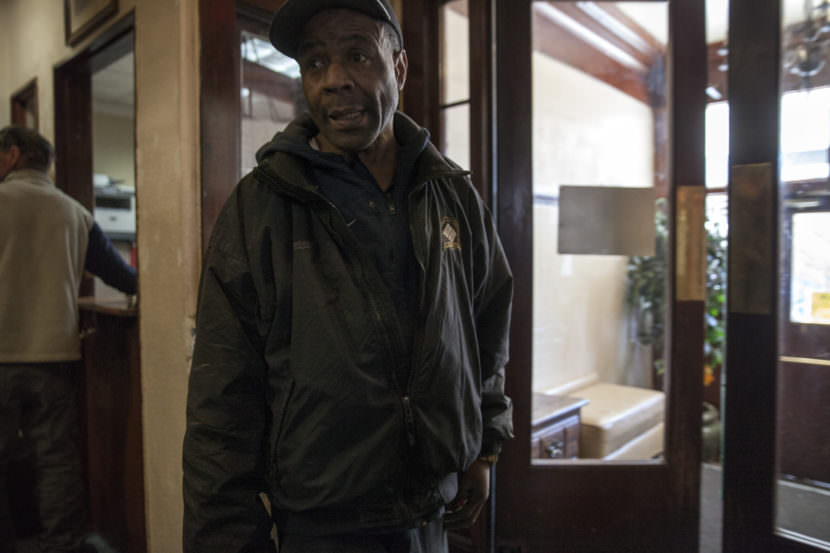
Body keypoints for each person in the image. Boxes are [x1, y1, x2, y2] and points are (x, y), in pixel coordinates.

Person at [182, 1, 513, 551]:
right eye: (315, 63)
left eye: (358, 55)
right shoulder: (261, 206)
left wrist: (484, 448)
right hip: (322, 521)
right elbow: (221, 397)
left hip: (433, 508)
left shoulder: (450, 193)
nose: (334, 80)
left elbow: (486, 327)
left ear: (399, 68)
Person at [0, 126, 138, 553]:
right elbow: (124, 278)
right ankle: (63, 542)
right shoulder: (75, 212)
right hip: (54, 354)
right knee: (56, 457)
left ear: (12, 155)